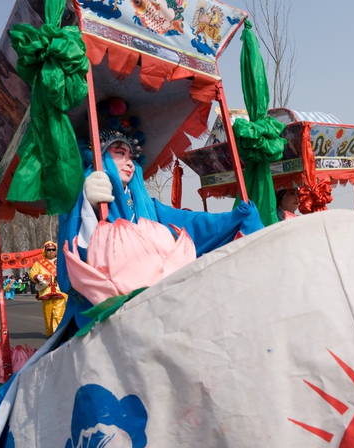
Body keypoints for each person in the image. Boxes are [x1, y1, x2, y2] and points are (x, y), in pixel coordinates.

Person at [59, 98, 263, 328]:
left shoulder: (149, 206)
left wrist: (236, 217)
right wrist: (86, 200)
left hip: (151, 306)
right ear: (100, 157)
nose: (129, 161)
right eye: (119, 152)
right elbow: (76, 253)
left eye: (131, 155)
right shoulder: (84, 195)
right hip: (99, 314)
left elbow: (193, 224)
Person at [29, 241, 67, 336]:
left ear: (56, 250)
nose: (50, 251)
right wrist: (38, 277)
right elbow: (32, 273)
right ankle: (50, 333)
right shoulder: (39, 263)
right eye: (48, 250)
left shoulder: (62, 261)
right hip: (46, 291)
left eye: (53, 249)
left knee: (59, 314)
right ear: (45, 251)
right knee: (48, 315)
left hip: (60, 291)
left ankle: (57, 334)